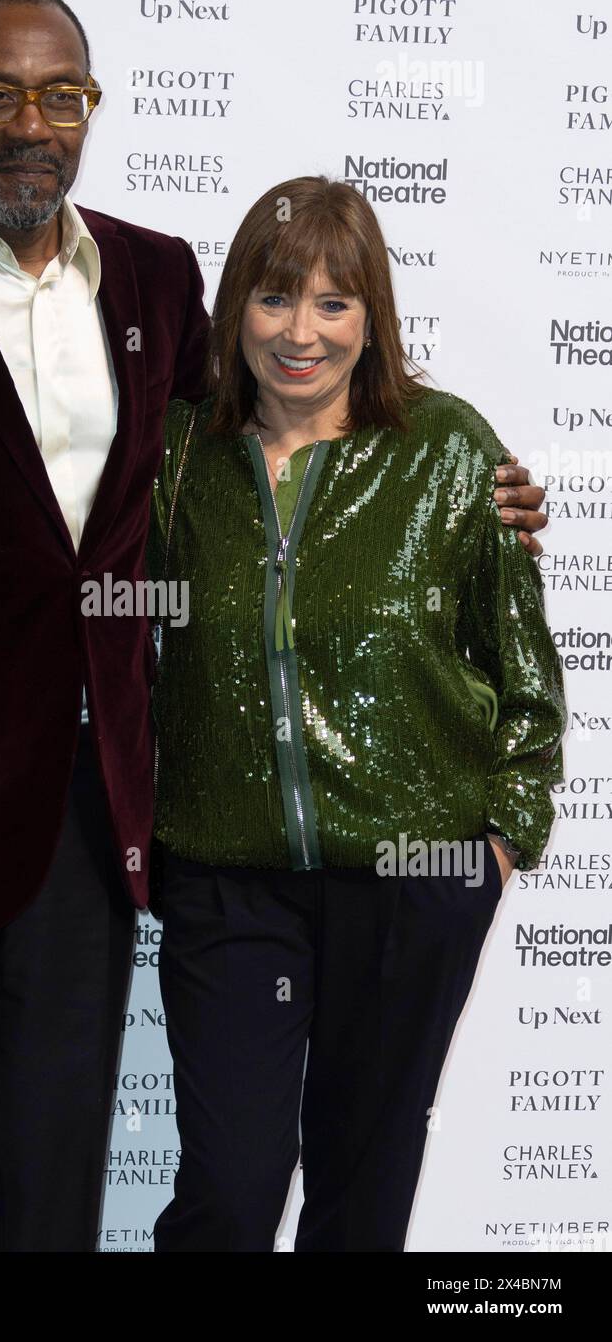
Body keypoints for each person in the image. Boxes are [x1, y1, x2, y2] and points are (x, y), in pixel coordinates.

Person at [0, 0, 548, 1252]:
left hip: (92, 831)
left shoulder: (155, 282)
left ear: (92, 109)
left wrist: (470, 478)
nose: (30, 123)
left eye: (62, 94)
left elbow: (285, 419)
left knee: (52, 1206)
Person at [147, 176, 567, 1253]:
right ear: (234, 304)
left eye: (335, 304)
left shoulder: (447, 449)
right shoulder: (177, 455)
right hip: (225, 879)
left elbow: (523, 663)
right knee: (229, 1192)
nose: (301, 333)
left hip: (412, 877)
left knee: (361, 1192)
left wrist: (501, 842)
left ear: (372, 318)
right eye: (275, 298)